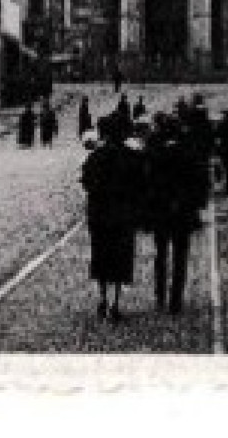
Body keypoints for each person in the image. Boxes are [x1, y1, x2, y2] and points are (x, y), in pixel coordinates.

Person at [142, 115, 211, 314]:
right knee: (180, 256)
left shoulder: (154, 151)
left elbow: (147, 181)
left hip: (161, 211)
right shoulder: (189, 150)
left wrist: (148, 207)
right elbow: (200, 180)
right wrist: (197, 204)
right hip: (183, 212)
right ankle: (176, 299)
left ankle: (160, 295)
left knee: (161, 254)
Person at [81, 116, 144, 323]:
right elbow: (139, 186)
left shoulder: (95, 157)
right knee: (120, 259)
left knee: (101, 256)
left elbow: (87, 184)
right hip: (123, 217)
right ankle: (115, 302)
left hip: (99, 216)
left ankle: (103, 299)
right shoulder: (131, 157)